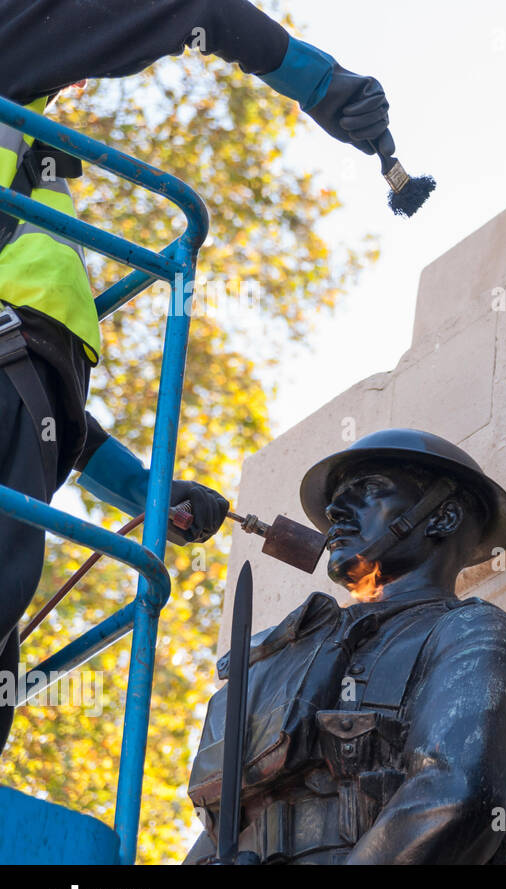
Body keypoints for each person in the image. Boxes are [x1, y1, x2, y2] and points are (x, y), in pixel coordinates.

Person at [0, 0, 396, 750]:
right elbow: (195, 7)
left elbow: (44, 405)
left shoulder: (24, 161)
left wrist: (147, 492)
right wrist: (323, 84)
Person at [185, 429, 506, 864]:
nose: (334, 511)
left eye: (369, 490)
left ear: (443, 517)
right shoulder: (287, 656)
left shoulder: (471, 632)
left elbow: (458, 794)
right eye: (336, 500)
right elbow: (220, 825)